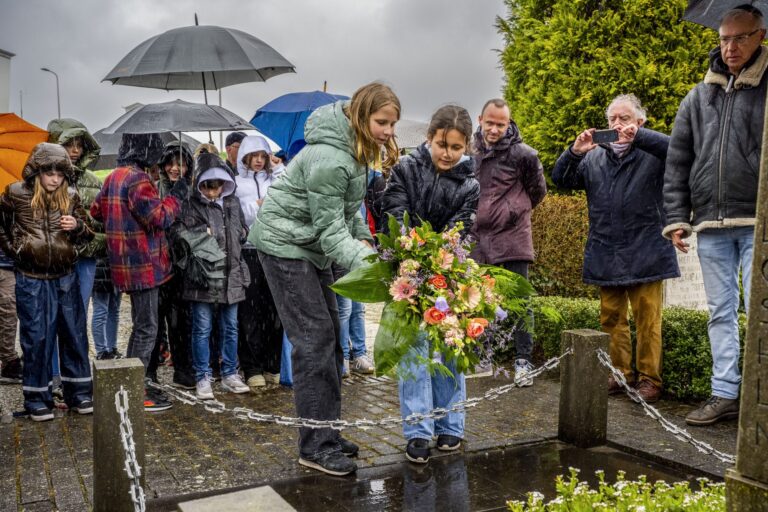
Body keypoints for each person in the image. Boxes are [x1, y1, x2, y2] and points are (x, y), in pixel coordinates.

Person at [250, 82, 400, 476]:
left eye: (392, 123)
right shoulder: (331, 159)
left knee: (332, 336)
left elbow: (350, 215)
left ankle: (328, 433)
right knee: (314, 340)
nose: (387, 131)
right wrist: (373, 266)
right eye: (382, 122)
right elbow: (332, 231)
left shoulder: (357, 154)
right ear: (360, 116)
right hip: (283, 245)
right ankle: (314, 445)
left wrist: (371, 246)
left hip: (309, 246)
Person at [664, 6, 767, 425]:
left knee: (760, 310)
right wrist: (676, 216)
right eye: (725, 39)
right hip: (710, 223)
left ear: (760, 36)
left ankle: (761, 396)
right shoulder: (697, 96)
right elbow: (678, 160)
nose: (730, 47)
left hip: (760, 223)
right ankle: (725, 392)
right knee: (720, 312)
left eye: (740, 38)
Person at [553, 94, 680, 403]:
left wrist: (642, 138)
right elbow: (561, 179)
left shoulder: (653, 152)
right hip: (606, 248)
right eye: (612, 119)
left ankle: (650, 379)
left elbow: (678, 149)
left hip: (647, 246)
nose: (617, 124)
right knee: (611, 318)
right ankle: (619, 373)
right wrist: (573, 152)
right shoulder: (594, 156)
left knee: (648, 319)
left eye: (625, 119)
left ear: (640, 122)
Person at [381, 105, 480, 464]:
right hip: (408, 268)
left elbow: (462, 228)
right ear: (429, 137)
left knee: (451, 344)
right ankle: (419, 429)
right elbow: (394, 213)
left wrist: (444, 256)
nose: (448, 153)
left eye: (456, 147)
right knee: (414, 351)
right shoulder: (405, 169)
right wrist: (412, 250)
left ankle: (451, 424)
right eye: (442, 144)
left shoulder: (470, 184)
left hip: (448, 273)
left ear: (466, 145)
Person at [91, 133, 189, 412]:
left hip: (122, 265)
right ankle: (136, 391)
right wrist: (176, 196)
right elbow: (159, 217)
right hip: (143, 266)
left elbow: (96, 211)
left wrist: (119, 221)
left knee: (140, 327)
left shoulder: (113, 177)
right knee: (147, 328)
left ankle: (130, 384)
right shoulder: (138, 179)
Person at [0, 143, 94, 421]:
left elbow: (88, 233)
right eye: (49, 172)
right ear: (37, 171)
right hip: (31, 278)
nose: (55, 178)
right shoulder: (15, 194)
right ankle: (36, 397)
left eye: (60, 173)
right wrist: (16, 249)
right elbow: (1, 225)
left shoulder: (72, 196)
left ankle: (79, 393)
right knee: (37, 337)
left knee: (74, 334)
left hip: (66, 277)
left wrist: (77, 227)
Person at [468, 99, 546, 385]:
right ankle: (481, 355)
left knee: (520, 303)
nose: (494, 129)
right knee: (477, 300)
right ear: (480, 119)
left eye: (501, 124)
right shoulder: (469, 151)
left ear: (508, 123)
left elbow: (538, 191)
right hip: (477, 239)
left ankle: (523, 362)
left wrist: (513, 210)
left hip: (513, 238)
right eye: (490, 123)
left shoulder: (524, 154)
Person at [173, 152, 251, 398]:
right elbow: (180, 233)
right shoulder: (189, 203)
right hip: (204, 275)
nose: (212, 191)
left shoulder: (233, 202)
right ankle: (202, 376)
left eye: (216, 185)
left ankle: (229, 373)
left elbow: (241, 230)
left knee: (230, 328)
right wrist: (199, 232)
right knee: (202, 328)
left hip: (232, 273)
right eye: (207, 185)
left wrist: (241, 233)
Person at [235, 135, 284, 389]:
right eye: (254, 156)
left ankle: (272, 364)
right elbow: (240, 215)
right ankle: (251, 365)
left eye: (263, 156)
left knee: (275, 311)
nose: (258, 161)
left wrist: (278, 168)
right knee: (250, 312)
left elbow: (287, 198)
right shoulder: (235, 183)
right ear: (245, 156)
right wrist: (261, 205)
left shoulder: (273, 178)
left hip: (274, 250)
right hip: (250, 252)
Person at [151, 142, 195, 389]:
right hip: (159, 262)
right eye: (170, 163)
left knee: (181, 320)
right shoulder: (156, 190)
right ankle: (152, 370)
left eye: (181, 163)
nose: (175, 168)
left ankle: (184, 370)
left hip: (184, 263)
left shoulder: (191, 190)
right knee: (155, 320)